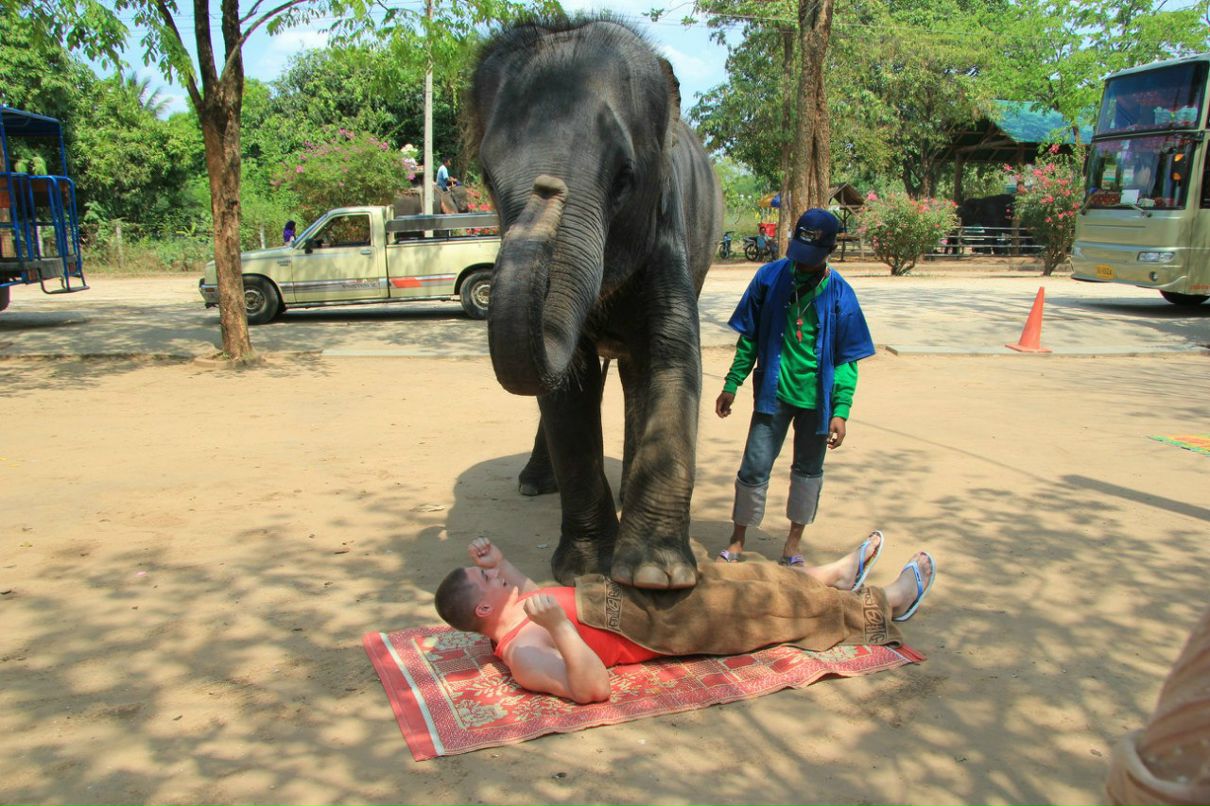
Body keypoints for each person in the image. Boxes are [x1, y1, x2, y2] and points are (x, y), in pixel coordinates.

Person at [434, 536, 936, 703]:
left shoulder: (518, 606)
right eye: (486, 580)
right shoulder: (524, 654)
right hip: (661, 626)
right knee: (762, 606)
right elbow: (591, 690)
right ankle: (885, 603)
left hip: (633, 593)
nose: (495, 576)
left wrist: (500, 562)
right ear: (483, 610)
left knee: (736, 575)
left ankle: (830, 575)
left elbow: (529, 590)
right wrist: (561, 628)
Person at [715, 208, 875, 567]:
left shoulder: (841, 295)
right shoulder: (769, 278)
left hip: (816, 402)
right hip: (773, 395)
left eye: (811, 257)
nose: (802, 263)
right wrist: (732, 382)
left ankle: (792, 545)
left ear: (829, 252)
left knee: (808, 471)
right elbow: (749, 338)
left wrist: (840, 410)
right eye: (799, 254)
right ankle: (737, 540)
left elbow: (846, 361)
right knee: (754, 466)